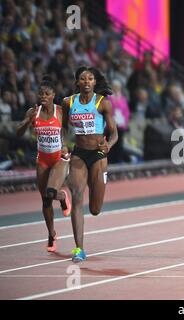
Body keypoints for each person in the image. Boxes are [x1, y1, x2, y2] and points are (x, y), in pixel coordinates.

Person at [62, 66, 118, 262]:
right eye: (83, 79)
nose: (86, 82)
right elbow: (62, 128)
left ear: (95, 82)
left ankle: (97, 187)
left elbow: (114, 133)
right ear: (77, 82)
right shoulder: (68, 102)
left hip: (99, 155)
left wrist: (109, 145)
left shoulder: (103, 104)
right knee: (77, 197)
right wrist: (63, 145)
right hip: (79, 154)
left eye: (90, 79)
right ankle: (79, 249)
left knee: (95, 209)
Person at [16, 75, 71, 253]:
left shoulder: (61, 111)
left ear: (53, 94)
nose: (43, 97)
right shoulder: (33, 112)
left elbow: (72, 129)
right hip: (43, 159)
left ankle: (62, 197)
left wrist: (65, 144)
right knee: (46, 200)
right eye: (41, 94)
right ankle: (51, 234)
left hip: (59, 158)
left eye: (47, 94)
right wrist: (26, 121)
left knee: (50, 192)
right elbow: (18, 134)